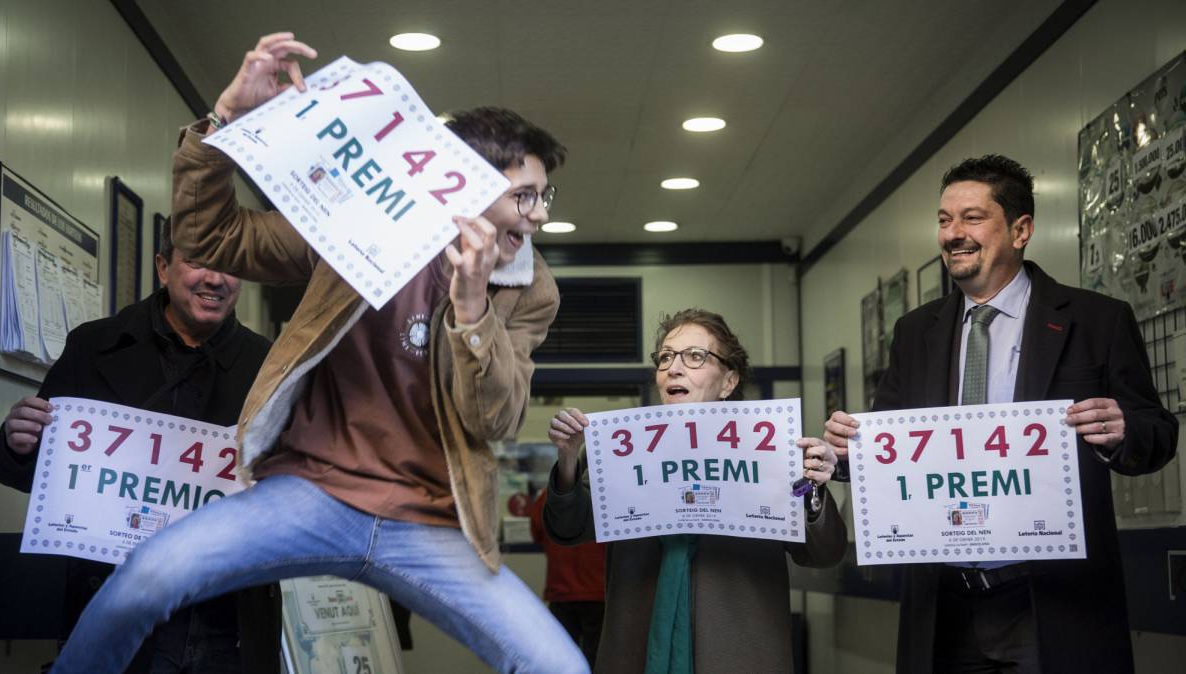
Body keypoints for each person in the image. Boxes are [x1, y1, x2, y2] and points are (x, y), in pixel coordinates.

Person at [51, 31, 587, 674]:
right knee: (145, 579)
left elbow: (495, 418)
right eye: (523, 195)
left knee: (559, 667)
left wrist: (473, 312)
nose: (536, 218)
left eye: (542, 197)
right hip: (308, 497)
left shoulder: (530, 287)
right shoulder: (362, 217)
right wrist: (222, 123)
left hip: (429, 522)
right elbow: (212, 235)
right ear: (464, 182)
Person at [823, 155, 1178, 673]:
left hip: (1050, 604)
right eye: (944, 220)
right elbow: (887, 453)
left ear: (1021, 229)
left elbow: (1159, 434)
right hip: (944, 607)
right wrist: (845, 452)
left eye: (971, 217)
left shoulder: (1097, 320)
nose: (951, 234)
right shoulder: (913, 333)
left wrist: (1125, 429)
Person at [0, 217, 278, 673]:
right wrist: (16, 444)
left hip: (226, 623)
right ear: (164, 268)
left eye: (230, 264)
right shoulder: (94, 346)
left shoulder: (271, 367)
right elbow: (33, 471)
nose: (215, 279)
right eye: (198, 260)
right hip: (115, 609)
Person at [544, 308, 846, 673]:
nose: (674, 368)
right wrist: (567, 459)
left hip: (740, 655)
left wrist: (814, 484)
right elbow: (567, 530)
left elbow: (822, 553)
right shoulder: (623, 449)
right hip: (636, 651)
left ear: (728, 381)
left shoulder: (769, 449)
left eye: (695, 357)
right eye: (666, 358)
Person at [528, 487, 606, 668]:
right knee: (598, 660)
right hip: (598, 594)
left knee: (560, 661)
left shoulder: (550, 495)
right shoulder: (606, 491)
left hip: (561, 592)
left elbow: (537, 532)